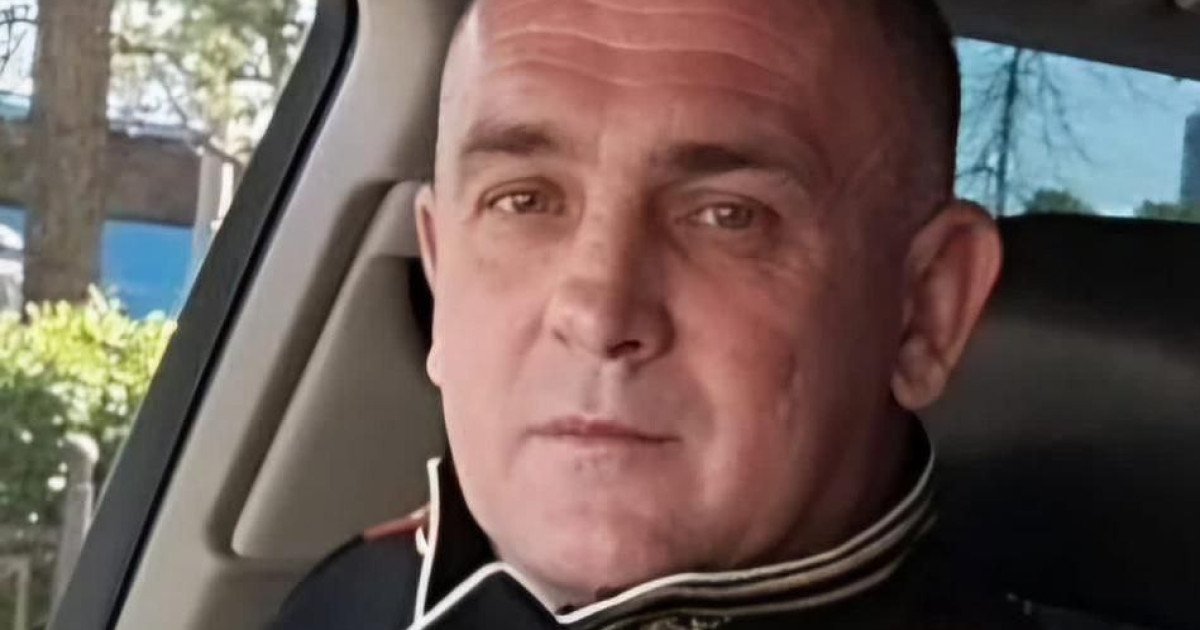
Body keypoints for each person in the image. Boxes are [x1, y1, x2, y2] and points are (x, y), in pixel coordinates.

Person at [272, 0, 1018, 627]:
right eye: (523, 201)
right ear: (440, 275)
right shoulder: (348, 607)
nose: (596, 314)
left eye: (728, 216)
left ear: (928, 309)